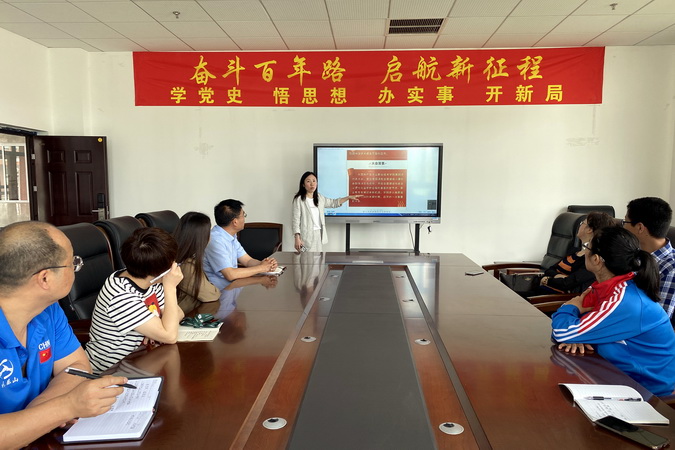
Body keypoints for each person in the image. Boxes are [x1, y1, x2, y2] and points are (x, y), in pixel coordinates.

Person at [0, 221, 128, 448]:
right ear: (45, 278)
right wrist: (65, 407)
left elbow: (77, 366)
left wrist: (41, 415)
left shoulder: (47, 310)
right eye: (72, 263)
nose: (77, 268)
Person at [551, 226, 675, 396]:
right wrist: (577, 334)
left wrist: (570, 307)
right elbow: (571, 328)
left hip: (644, 391)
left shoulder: (624, 300)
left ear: (596, 259)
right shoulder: (606, 287)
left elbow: (562, 331)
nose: (584, 251)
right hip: (612, 372)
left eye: (587, 247)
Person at [86, 227, 184, 374]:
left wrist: (156, 328)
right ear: (160, 272)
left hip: (143, 358)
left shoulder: (149, 280)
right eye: (173, 262)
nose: (175, 265)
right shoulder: (120, 295)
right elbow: (170, 336)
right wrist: (170, 287)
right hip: (111, 370)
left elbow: (179, 313)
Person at [204, 199, 278, 289]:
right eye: (243, 215)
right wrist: (262, 268)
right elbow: (230, 274)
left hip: (232, 286)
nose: (244, 219)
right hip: (219, 291)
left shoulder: (230, 236)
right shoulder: (215, 240)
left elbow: (247, 261)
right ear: (235, 222)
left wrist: (266, 264)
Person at [539, 211, 616, 294]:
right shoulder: (575, 251)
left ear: (589, 229)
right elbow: (550, 270)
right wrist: (557, 276)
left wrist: (547, 280)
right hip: (542, 290)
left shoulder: (592, 260)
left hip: (552, 298)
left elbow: (567, 283)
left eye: (582, 223)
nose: (579, 226)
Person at [623, 197, 675, 318]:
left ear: (640, 228)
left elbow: (658, 320)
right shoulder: (633, 255)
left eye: (625, 222)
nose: (623, 228)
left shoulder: (671, 268)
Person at [292, 171, 361, 252]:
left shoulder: (319, 198)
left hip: (318, 234)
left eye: (314, 181)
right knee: (306, 259)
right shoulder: (299, 200)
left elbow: (333, 203)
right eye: (308, 181)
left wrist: (348, 197)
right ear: (303, 184)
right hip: (306, 236)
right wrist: (297, 238)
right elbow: (296, 220)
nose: (312, 184)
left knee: (318, 258)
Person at [173, 211, 220, 314]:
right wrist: (213, 288)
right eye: (208, 232)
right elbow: (211, 295)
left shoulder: (181, 259)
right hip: (185, 317)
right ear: (201, 238)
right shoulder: (186, 266)